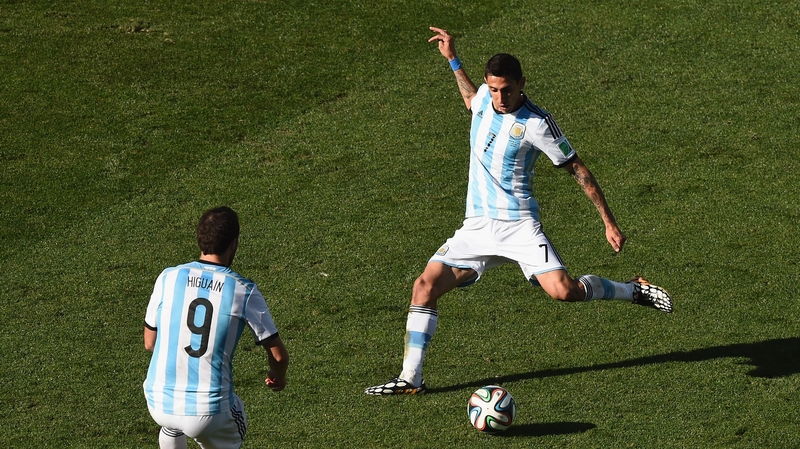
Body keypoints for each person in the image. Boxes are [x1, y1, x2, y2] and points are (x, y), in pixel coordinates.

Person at [364, 27, 671, 396]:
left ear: (522, 83)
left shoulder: (537, 123)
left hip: (520, 227)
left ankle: (632, 290)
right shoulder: (482, 100)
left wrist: (609, 222)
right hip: (476, 228)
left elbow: (577, 169)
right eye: (493, 89)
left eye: (506, 89)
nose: (500, 97)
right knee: (424, 286)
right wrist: (453, 60)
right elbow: (470, 100)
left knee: (564, 292)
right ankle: (411, 379)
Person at [143, 206, 289, 448]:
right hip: (208, 412)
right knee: (237, 415)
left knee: (171, 424)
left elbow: (150, 343)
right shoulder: (243, 289)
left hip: (158, 402)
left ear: (200, 238)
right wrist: (278, 377)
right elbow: (278, 355)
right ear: (234, 244)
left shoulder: (168, 277)